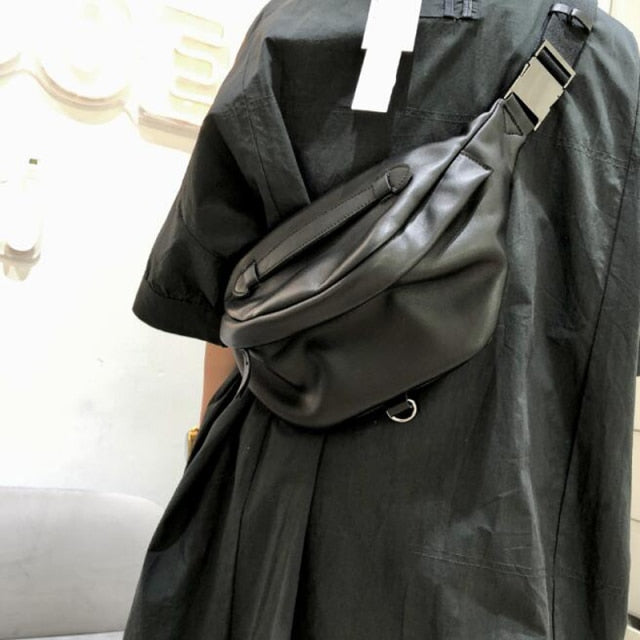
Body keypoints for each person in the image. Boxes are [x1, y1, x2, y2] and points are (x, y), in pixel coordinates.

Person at [124, 0, 640, 638]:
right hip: (517, 561)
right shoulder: (613, 66)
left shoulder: (292, 25)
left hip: (282, 538)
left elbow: (219, 308)